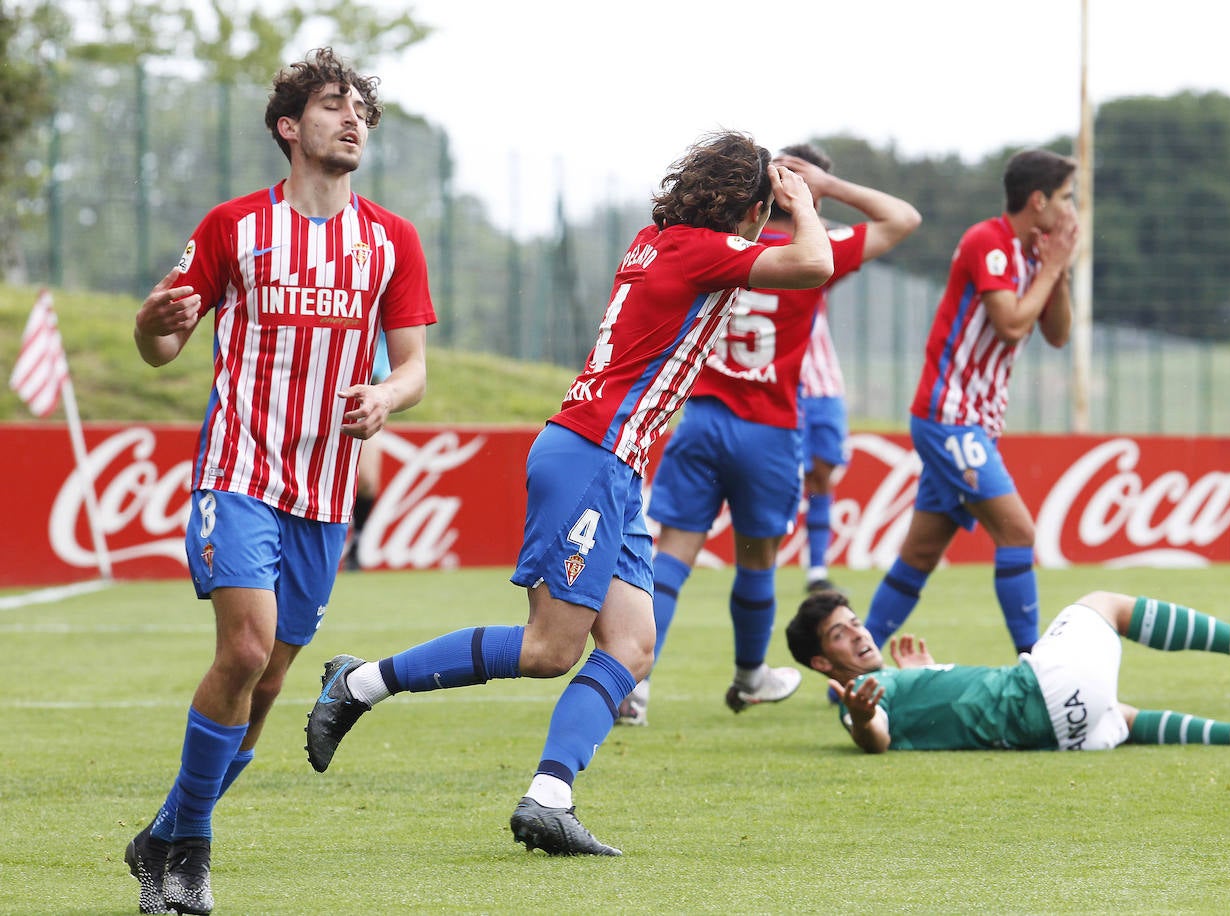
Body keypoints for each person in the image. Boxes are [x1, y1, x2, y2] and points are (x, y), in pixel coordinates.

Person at [303, 131, 834, 857]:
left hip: (609, 464)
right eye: (764, 207)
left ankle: (549, 798)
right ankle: (360, 683)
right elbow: (815, 261)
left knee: (633, 643)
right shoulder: (697, 249)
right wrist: (802, 202)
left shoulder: (662, 240)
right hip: (591, 456)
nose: (766, 221)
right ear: (745, 205)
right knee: (552, 648)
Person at [123, 48, 435, 915]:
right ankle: (191, 853)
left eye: (361, 111)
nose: (353, 120)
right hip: (241, 468)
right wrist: (151, 321)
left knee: (265, 689)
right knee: (247, 648)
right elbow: (160, 345)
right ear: (289, 127)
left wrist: (386, 395)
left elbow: (413, 370)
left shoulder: (392, 240)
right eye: (335, 106)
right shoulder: (234, 227)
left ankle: (163, 834)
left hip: (325, 494)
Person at [622, 144, 920, 725]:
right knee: (757, 562)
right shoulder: (810, 250)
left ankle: (633, 685)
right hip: (770, 431)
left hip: (703, 419)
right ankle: (750, 674)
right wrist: (825, 192)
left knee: (674, 557)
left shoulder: (717, 246)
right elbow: (902, 219)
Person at [864, 149, 1079, 658]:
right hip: (949, 418)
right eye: (1067, 198)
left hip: (975, 422)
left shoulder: (1036, 256)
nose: (1073, 210)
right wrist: (1051, 269)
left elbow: (1056, 333)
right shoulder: (989, 241)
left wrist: (1059, 270)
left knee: (920, 552)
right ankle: (1034, 661)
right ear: (1038, 199)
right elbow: (1008, 322)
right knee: (1019, 532)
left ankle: (855, 666)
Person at [786, 589, 1230, 754]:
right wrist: (860, 718)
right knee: (1104, 604)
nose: (859, 633)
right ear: (820, 663)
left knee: (1125, 716)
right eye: (841, 634)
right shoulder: (861, 692)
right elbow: (875, 736)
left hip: (1065, 734)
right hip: (1039, 693)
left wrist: (928, 672)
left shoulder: (895, 684)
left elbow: (919, 713)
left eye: (856, 623)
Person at [798, 305, 848, 593]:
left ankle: (817, 570)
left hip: (826, 391)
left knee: (821, 480)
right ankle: (758, 565)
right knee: (782, 481)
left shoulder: (814, 272)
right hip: (785, 390)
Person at [344, 336, 391, 571]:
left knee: (367, 482)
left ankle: (356, 543)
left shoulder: (384, 324)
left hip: (369, 400)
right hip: (330, 394)